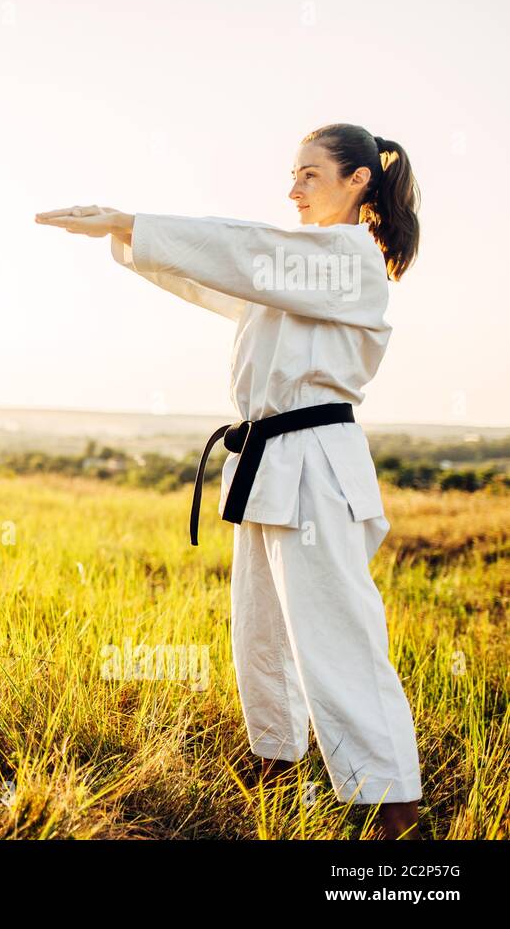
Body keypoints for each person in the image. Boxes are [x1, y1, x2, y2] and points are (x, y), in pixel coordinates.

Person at [35, 123, 423, 838]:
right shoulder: (292, 268)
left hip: (315, 464)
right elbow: (220, 270)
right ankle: (276, 763)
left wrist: (131, 221)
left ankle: (390, 801)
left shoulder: (347, 259)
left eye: (309, 174)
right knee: (263, 631)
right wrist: (127, 240)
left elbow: (248, 251)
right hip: (269, 464)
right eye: (294, 174)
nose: (293, 188)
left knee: (336, 635)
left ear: (357, 179)